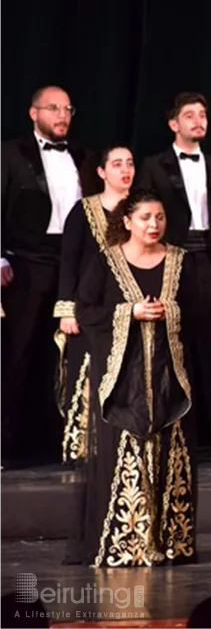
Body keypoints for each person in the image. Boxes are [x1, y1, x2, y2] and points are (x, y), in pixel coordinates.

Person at [68, 189, 196, 567]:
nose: (153, 224)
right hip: (124, 379)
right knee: (124, 453)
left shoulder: (180, 261)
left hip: (169, 376)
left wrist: (169, 311)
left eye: (159, 217)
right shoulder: (106, 262)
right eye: (145, 218)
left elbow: (200, 313)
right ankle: (126, 543)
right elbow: (86, 311)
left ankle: (168, 542)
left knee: (171, 452)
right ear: (127, 221)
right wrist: (130, 312)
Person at [0, 86, 98, 469]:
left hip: (73, 265)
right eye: (53, 108)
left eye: (68, 108)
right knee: (17, 356)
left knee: (70, 356)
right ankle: (6, 447)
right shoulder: (9, 153)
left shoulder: (86, 157)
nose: (62, 115)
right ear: (33, 113)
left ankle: (67, 443)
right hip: (25, 265)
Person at [137, 93, 211, 457]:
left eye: (202, 115)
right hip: (171, 261)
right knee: (171, 351)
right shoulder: (152, 165)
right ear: (173, 123)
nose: (198, 121)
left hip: (210, 265)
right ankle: (175, 439)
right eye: (189, 115)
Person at [55, 144, 135, 464]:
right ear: (102, 172)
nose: (125, 169)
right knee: (89, 372)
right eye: (117, 164)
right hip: (92, 309)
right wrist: (66, 310)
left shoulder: (140, 210)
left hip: (130, 307)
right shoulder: (84, 210)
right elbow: (69, 262)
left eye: (129, 163)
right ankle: (86, 447)